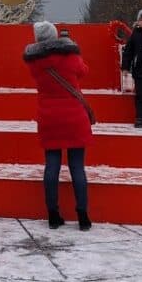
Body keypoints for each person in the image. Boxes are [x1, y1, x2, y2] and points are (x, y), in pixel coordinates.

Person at [24, 21, 93, 230]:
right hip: (74, 117)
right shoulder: (70, 56)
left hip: (49, 118)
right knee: (77, 167)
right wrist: (70, 45)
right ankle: (83, 216)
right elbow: (84, 71)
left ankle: (53, 214)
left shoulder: (34, 63)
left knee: (51, 166)